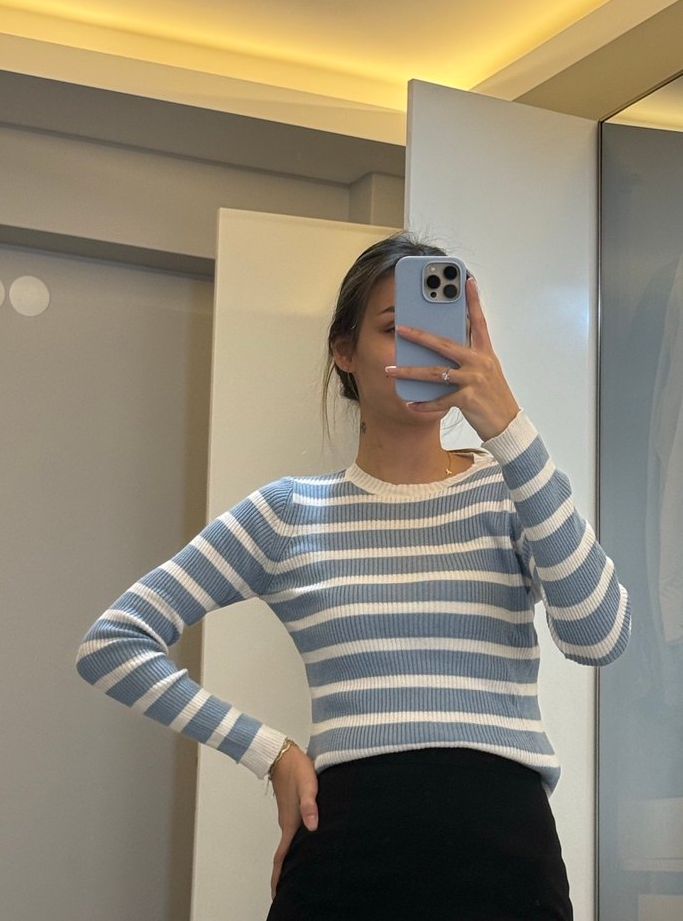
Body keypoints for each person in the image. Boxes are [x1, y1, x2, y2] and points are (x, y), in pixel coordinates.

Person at [77, 233, 630, 920]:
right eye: (397, 330)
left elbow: (599, 636)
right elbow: (112, 643)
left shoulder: (512, 486)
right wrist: (271, 752)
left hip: (505, 852)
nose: (427, 350)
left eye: (446, 331)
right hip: (346, 849)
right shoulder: (288, 513)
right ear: (345, 351)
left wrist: (509, 428)